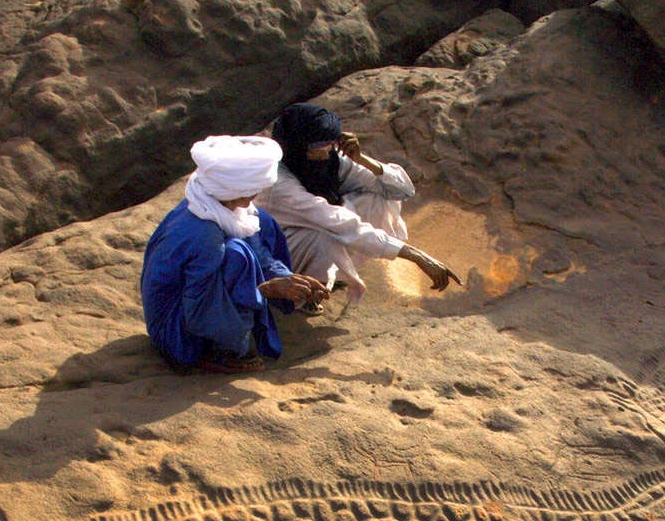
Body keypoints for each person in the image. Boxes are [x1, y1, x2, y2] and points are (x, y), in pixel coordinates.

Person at [141, 134, 328, 372]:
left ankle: (267, 307)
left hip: (197, 300)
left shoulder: (215, 204)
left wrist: (290, 279)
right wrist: (265, 290)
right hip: (178, 330)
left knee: (264, 223)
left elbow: (260, 254)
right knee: (237, 255)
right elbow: (199, 308)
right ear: (238, 188)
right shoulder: (204, 235)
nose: (258, 191)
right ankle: (222, 350)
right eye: (254, 187)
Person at [258, 103, 459, 309]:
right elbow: (338, 222)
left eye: (331, 142)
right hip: (278, 246)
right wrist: (417, 256)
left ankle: (336, 273)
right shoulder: (278, 183)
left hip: (322, 223)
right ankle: (304, 293)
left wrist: (362, 160)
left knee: (376, 199)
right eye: (320, 145)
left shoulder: (331, 161)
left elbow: (401, 190)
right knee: (324, 239)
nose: (328, 150)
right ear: (297, 149)